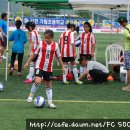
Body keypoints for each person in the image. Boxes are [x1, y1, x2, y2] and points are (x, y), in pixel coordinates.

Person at [24, 29, 65, 109]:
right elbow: (34, 54)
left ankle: (50, 103)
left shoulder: (56, 46)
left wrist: (62, 66)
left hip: (49, 68)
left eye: (48, 38)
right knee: (38, 81)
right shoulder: (41, 44)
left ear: (52, 38)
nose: (46, 39)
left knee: (48, 85)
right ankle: (30, 96)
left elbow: (58, 56)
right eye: (45, 38)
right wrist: (28, 62)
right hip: (39, 66)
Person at [117, 16, 130, 90]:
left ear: (123, 22)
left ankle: (129, 86)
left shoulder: (125, 30)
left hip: (128, 50)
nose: (120, 24)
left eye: (120, 23)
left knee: (128, 68)